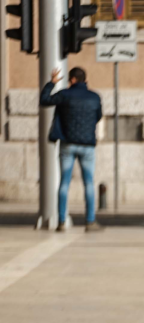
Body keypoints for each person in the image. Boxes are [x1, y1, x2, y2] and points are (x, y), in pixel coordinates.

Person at [39, 67, 104, 232]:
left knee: (64, 183)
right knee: (89, 183)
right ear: (84, 80)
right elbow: (98, 116)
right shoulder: (95, 97)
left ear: (73, 80)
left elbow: (44, 100)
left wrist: (52, 83)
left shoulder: (64, 95)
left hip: (68, 144)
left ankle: (61, 221)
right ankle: (90, 221)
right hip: (88, 145)